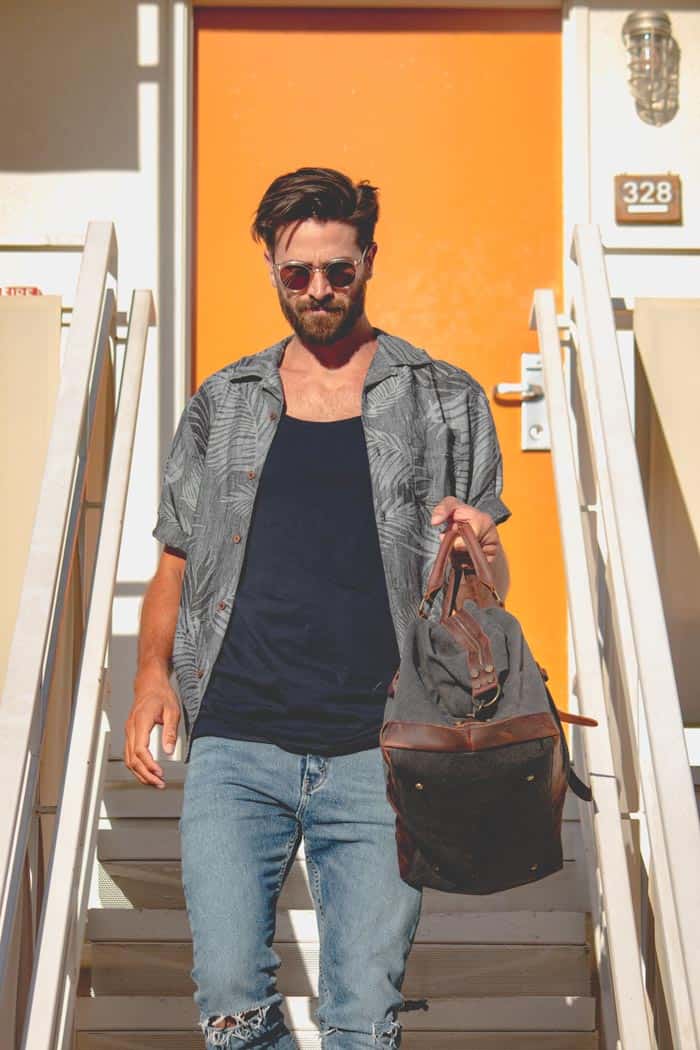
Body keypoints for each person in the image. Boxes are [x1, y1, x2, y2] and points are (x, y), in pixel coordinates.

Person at [124, 166, 511, 1050]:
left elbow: (488, 592)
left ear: (369, 258)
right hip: (236, 740)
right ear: (269, 263)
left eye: (340, 271)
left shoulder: (446, 398)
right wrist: (153, 678)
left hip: (380, 746)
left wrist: (480, 549)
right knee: (228, 1000)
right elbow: (176, 561)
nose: (320, 291)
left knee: (363, 1019)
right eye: (298, 273)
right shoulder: (224, 403)